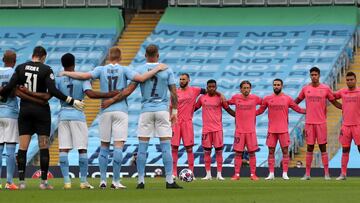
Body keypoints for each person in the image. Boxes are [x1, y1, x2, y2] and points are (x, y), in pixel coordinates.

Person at [61, 46, 167, 189]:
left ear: (108, 57)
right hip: (121, 110)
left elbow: (84, 76)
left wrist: (65, 72)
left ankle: (103, 181)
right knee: (118, 146)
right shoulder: (124, 69)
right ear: (120, 57)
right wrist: (157, 68)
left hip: (105, 110)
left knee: (104, 146)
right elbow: (141, 78)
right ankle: (116, 181)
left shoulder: (101, 69)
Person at [0, 46, 84, 190]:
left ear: (33, 55)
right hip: (41, 112)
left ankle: (21, 182)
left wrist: (2, 96)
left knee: (23, 148)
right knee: (43, 145)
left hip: (25, 111)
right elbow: (52, 91)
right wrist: (71, 100)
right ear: (43, 56)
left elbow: (10, 87)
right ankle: (43, 182)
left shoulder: (20, 68)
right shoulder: (46, 69)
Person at [102, 44, 182, 189]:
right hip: (162, 110)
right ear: (158, 55)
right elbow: (174, 93)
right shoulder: (167, 69)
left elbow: (128, 91)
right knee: (166, 146)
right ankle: (169, 181)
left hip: (146, 110)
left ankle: (140, 181)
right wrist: (175, 112)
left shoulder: (139, 70)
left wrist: (111, 100)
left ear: (145, 55)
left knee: (142, 147)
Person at [56, 53, 120, 189]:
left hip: (63, 114)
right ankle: (83, 181)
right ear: (74, 63)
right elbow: (91, 94)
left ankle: (67, 182)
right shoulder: (82, 77)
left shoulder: (58, 78)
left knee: (63, 149)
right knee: (82, 149)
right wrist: (108, 94)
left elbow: (54, 93)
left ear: (62, 64)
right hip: (78, 115)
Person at [294, 67, 341, 180]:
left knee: (322, 147)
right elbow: (295, 102)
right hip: (309, 123)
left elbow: (334, 102)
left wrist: (346, 108)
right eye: (312, 74)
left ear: (319, 75)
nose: (314, 76)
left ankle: (326, 174)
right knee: (310, 147)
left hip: (321, 122)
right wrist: (298, 109)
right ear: (310, 76)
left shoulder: (325, 88)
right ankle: (307, 174)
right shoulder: (306, 89)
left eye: (316, 74)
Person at [256, 78, 306, 180]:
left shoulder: (287, 98)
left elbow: (298, 109)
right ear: (272, 86)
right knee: (271, 151)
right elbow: (260, 111)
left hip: (283, 130)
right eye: (275, 85)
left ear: (282, 86)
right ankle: (271, 174)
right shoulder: (267, 98)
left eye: (278, 85)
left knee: (285, 151)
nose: (276, 86)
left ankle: (285, 173)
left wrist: (310, 110)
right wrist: (247, 112)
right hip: (271, 130)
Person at [194, 79, 235, 180]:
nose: (212, 88)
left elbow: (228, 109)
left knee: (219, 152)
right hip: (206, 130)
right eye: (210, 87)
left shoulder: (220, 98)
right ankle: (208, 174)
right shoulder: (202, 98)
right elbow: (194, 108)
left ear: (216, 87)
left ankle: (219, 174)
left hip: (218, 129)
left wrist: (239, 116)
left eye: (213, 87)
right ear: (207, 87)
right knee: (206, 152)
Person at [171, 73, 206, 179]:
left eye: (184, 79)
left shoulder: (195, 90)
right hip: (176, 123)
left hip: (187, 123)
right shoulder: (175, 92)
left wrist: (197, 106)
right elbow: (170, 107)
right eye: (180, 79)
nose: (181, 81)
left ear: (188, 80)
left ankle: (191, 173)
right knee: (174, 148)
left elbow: (208, 92)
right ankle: (174, 173)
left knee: (189, 149)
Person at [228, 80, 261, 181]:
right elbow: (226, 104)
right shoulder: (236, 98)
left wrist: (256, 113)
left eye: (248, 88)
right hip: (239, 131)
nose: (246, 90)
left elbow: (265, 104)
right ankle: (237, 174)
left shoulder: (255, 98)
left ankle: (253, 174)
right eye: (244, 88)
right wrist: (233, 113)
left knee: (252, 153)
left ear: (250, 89)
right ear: (241, 89)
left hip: (251, 131)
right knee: (238, 153)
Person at [333, 72, 360, 180]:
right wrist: (340, 106)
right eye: (348, 80)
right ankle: (343, 174)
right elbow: (332, 97)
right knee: (345, 150)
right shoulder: (343, 91)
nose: (349, 81)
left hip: (358, 125)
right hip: (346, 126)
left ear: (355, 80)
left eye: (351, 79)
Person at [0, 50, 19, 190]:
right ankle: (9, 182)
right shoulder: (14, 73)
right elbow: (14, 92)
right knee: (10, 148)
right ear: (15, 60)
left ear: (2, 59)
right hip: (10, 112)